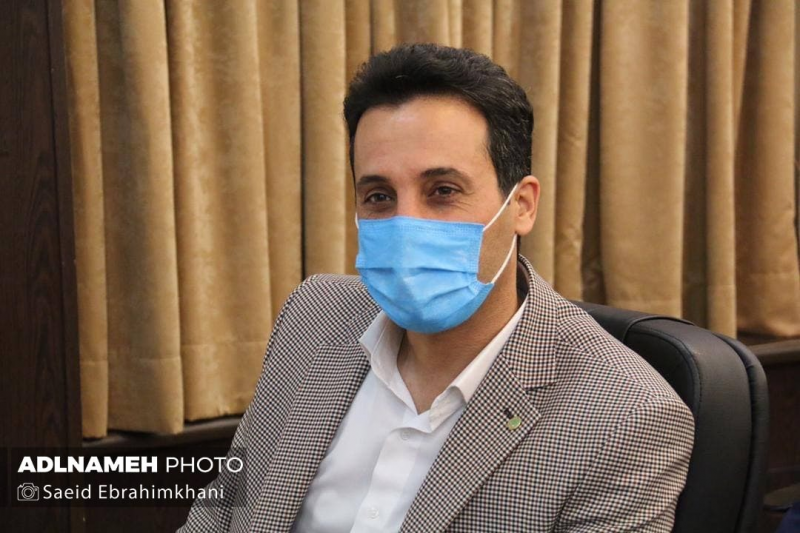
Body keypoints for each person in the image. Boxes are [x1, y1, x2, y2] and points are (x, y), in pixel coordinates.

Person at [180, 43, 694, 533]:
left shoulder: (625, 419)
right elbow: (223, 510)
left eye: (443, 191)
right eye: (379, 196)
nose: (407, 225)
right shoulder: (314, 314)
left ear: (522, 206)